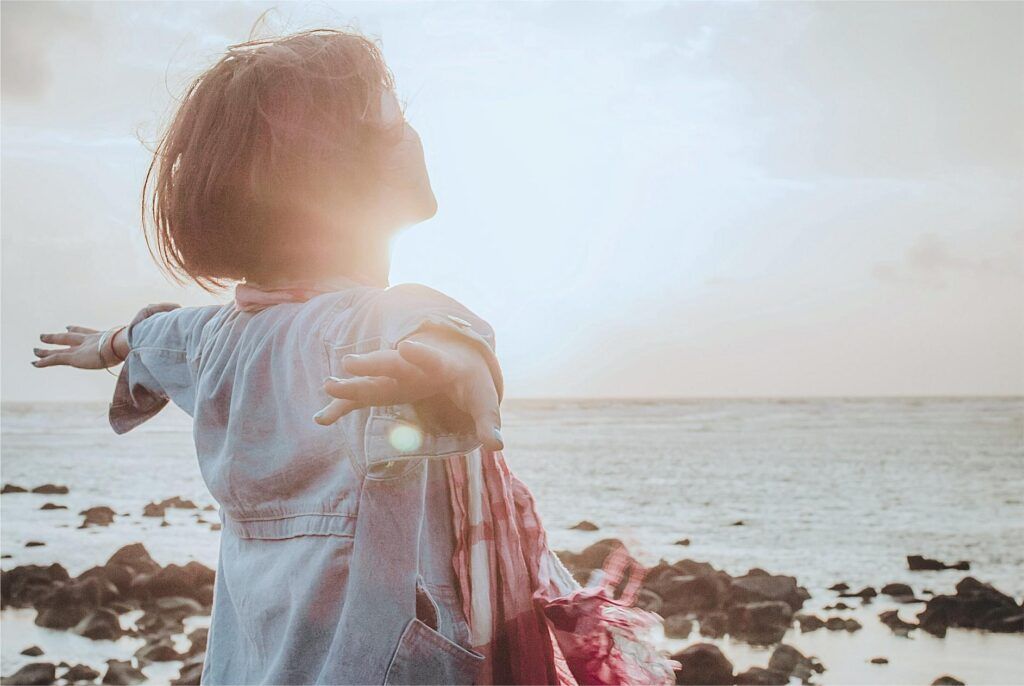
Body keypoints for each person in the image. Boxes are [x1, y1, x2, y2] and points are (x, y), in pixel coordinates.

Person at [34, 29, 675, 686]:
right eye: (391, 118)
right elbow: (432, 328)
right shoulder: (365, 323)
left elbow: (155, 335)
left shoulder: (216, 337)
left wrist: (107, 344)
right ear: (337, 173)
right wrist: (449, 365)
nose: (410, 133)